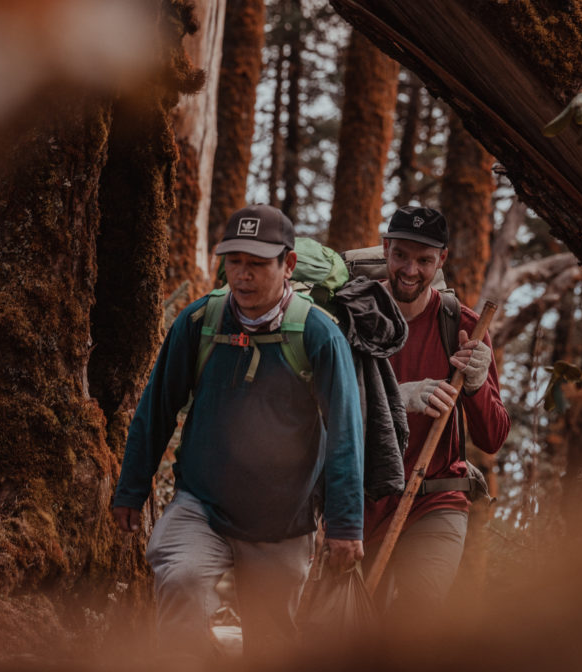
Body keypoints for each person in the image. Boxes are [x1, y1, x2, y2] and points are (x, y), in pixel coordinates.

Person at [111, 204, 364, 659]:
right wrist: (131, 488)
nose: (243, 277)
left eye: (257, 264)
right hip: (202, 506)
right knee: (181, 576)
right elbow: (157, 407)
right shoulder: (199, 322)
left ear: (287, 265)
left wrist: (346, 524)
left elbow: (345, 431)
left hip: (283, 522)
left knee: (271, 646)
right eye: (235, 262)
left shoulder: (318, 335)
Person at [365, 205, 510, 614]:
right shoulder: (356, 317)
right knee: (351, 628)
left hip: (435, 498)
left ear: (441, 260)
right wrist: (397, 397)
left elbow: (493, 438)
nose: (410, 270)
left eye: (424, 260)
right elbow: (324, 410)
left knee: (416, 617)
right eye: (401, 256)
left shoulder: (462, 327)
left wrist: (477, 386)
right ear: (385, 248)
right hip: (363, 500)